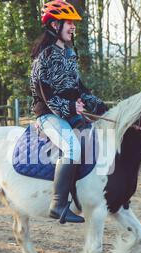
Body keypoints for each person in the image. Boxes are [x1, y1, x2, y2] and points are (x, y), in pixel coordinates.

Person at [30, 0, 108, 223]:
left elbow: (79, 89)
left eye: (74, 24)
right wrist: (72, 107)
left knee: (94, 138)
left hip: (69, 114)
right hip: (48, 115)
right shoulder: (44, 57)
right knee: (72, 147)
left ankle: (83, 193)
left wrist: (102, 107)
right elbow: (46, 95)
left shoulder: (69, 54)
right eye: (69, 23)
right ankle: (58, 205)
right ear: (55, 25)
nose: (73, 27)